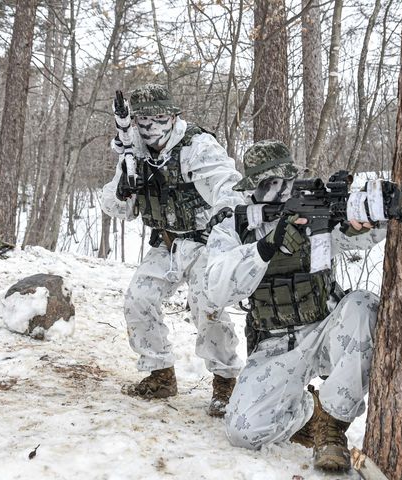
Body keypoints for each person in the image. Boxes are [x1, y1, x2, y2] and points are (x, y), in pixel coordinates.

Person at [202, 140, 387, 471]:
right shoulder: (233, 225)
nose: (281, 191)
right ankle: (308, 413)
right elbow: (214, 287)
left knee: (363, 305)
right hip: (274, 343)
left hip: (326, 327)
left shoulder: (316, 210)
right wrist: (267, 246)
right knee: (243, 431)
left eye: (285, 182)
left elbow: (357, 238)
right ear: (253, 189)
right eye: (270, 184)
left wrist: (368, 218)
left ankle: (331, 428)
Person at [100, 84, 243, 417]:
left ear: (174, 116)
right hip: (166, 242)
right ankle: (160, 373)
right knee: (138, 298)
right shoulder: (134, 154)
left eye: (159, 118)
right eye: (143, 120)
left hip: (206, 240)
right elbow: (118, 209)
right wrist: (122, 189)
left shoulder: (197, 146)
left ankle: (225, 381)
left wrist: (229, 214)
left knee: (205, 305)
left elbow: (228, 183)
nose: (151, 128)